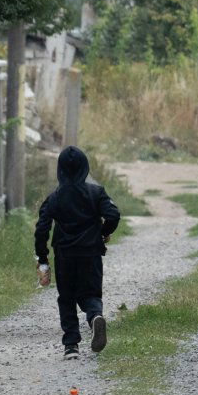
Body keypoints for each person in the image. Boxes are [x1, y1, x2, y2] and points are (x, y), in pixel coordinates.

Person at [34, 146, 121, 359]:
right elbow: (113, 215)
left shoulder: (54, 198)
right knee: (90, 293)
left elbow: (41, 229)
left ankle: (71, 345)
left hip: (64, 255)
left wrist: (43, 259)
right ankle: (94, 318)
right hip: (90, 253)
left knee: (67, 298)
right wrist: (102, 233)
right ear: (85, 167)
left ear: (60, 170)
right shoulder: (96, 193)